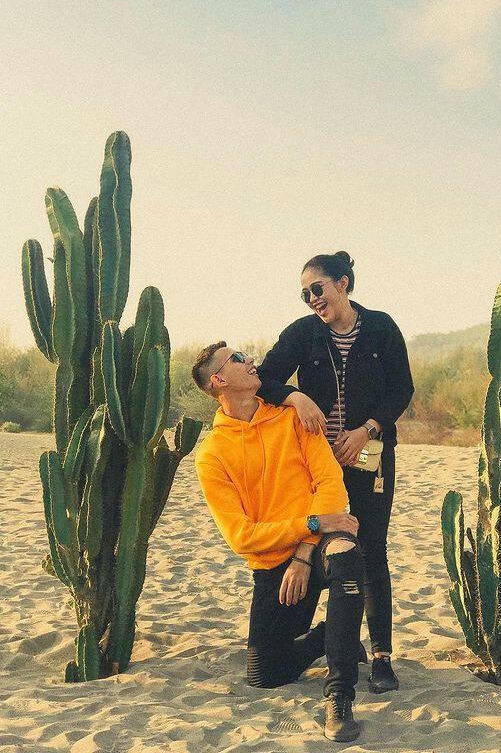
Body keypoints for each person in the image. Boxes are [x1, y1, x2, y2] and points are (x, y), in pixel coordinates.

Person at [192, 341, 367, 743]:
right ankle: (328, 637)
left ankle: (339, 694)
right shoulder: (212, 454)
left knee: (345, 554)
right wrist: (310, 523)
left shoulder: (293, 418)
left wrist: (305, 551)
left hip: (317, 549)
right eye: (237, 359)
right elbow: (242, 536)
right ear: (218, 381)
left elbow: (330, 484)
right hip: (273, 564)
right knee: (264, 673)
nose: (250, 360)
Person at [256, 251, 414, 693]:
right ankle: (316, 640)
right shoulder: (303, 333)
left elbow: (402, 388)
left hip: (371, 457)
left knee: (372, 549)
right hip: (316, 464)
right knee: (316, 543)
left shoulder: (381, 327)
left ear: (343, 283)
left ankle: (381, 658)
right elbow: (264, 379)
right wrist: (295, 397)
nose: (312, 299)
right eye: (305, 294)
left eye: (317, 289)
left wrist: (367, 430)